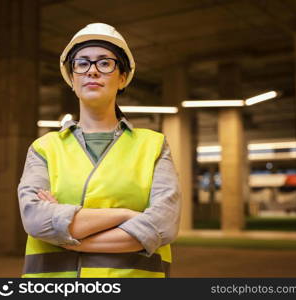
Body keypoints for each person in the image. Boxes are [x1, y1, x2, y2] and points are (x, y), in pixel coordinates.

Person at [18, 23, 181, 278]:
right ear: (72, 79)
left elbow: (162, 225)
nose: (92, 71)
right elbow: (36, 220)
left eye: (105, 63)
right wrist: (125, 215)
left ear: (123, 77)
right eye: (82, 64)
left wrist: (65, 234)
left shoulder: (154, 146)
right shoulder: (44, 148)